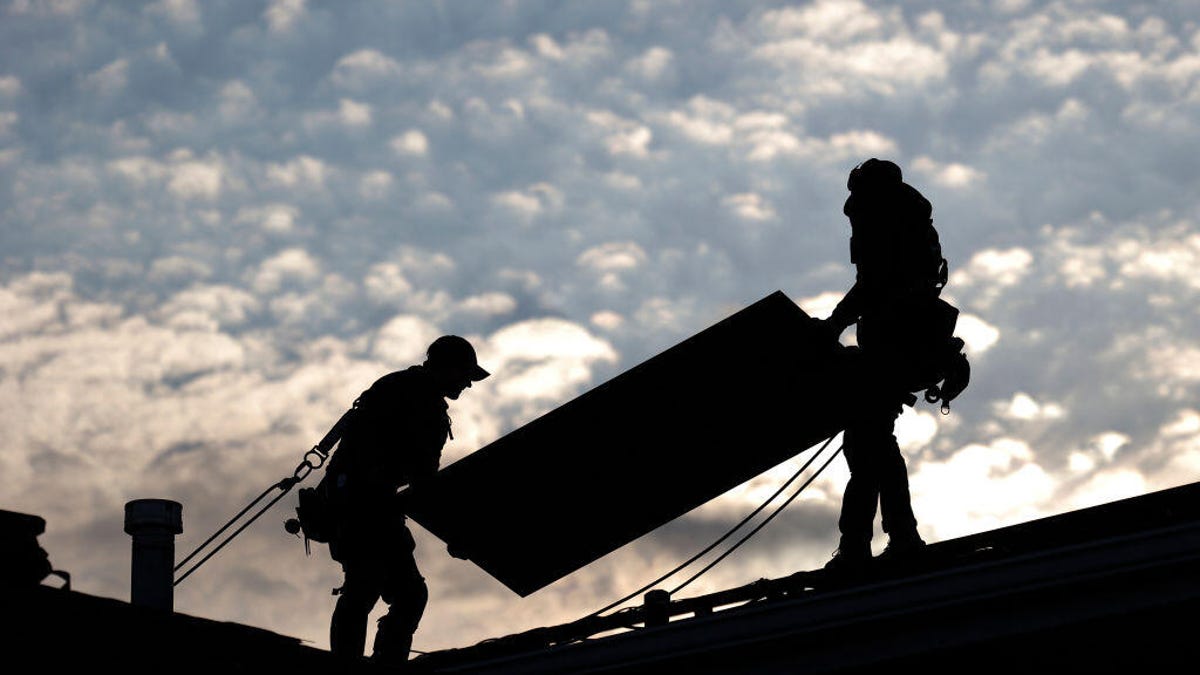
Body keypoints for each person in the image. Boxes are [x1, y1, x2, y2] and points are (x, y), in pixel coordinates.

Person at [820, 158, 965, 572]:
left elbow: (874, 286)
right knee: (872, 442)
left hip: (896, 342)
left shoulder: (886, 220)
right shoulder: (907, 219)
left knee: (867, 443)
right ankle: (890, 537)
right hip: (903, 342)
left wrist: (834, 323)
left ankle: (874, 542)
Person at [322, 335, 490, 665]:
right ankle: (350, 664)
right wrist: (456, 533)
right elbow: (423, 478)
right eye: (464, 376)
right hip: (360, 502)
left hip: (370, 501)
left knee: (406, 594)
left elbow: (419, 478)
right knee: (367, 585)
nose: (468, 386)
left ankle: (385, 661)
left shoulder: (406, 390)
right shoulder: (416, 399)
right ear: (446, 368)